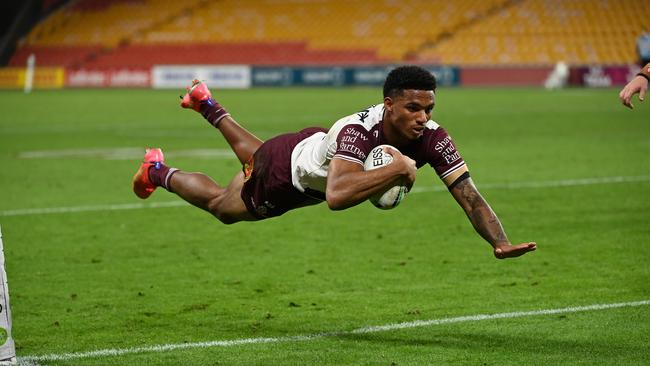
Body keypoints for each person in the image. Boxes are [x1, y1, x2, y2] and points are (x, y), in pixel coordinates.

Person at [133, 65, 537, 259]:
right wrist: (397, 169)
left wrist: (499, 241)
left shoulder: (432, 136)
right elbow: (338, 196)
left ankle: (207, 104)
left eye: (428, 108)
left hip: (303, 149)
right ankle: (157, 171)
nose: (423, 117)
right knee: (223, 206)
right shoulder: (357, 130)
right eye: (413, 108)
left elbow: (468, 193)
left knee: (257, 156)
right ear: (389, 104)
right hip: (289, 178)